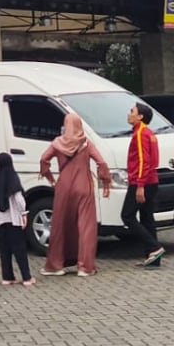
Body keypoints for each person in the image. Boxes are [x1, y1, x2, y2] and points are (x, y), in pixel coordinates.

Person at [39, 113, 111, 277]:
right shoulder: (85, 143)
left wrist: (49, 177)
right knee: (86, 227)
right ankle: (85, 267)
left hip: (63, 186)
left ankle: (55, 266)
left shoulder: (57, 143)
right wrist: (105, 181)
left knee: (59, 224)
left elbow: (44, 159)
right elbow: (101, 162)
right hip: (84, 186)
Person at [122, 103, 164, 268]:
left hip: (142, 182)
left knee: (127, 216)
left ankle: (154, 247)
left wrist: (139, 185)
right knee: (147, 218)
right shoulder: (149, 133)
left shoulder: (140, 133)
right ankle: (153, 257)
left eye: (132, 111)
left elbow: (143, 160)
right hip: (152, 181)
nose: (129, 114)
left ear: (140, 117)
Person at [0, 152, 34, 286]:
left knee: (5, 249)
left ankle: (7, 277)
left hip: (2, 220)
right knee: (19, 248)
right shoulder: (13, 179)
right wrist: (24, 213)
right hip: (14, 220)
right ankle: (26, 278)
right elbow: (19, 200)